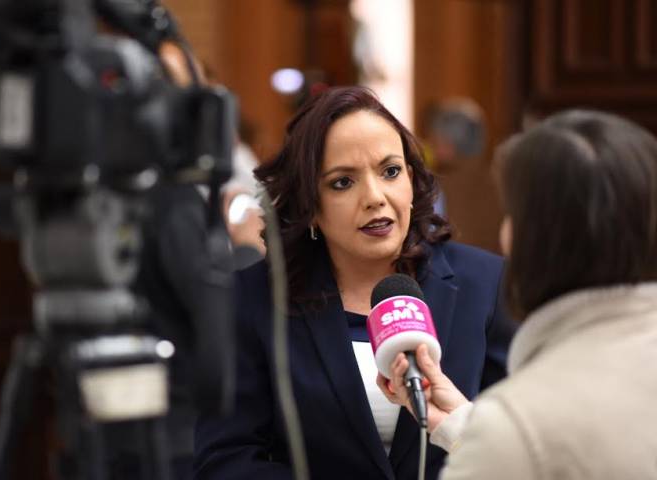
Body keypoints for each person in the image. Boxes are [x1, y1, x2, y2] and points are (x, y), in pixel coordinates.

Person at [193, 86, 515, 479]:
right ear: (310, 205)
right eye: (343, 182)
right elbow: (225, 460)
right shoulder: (253, 298)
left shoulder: (486, 284)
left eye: (390, 171)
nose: (375, 197)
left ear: (412, 179)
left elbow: (524, 441)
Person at [379, 110, 657, 479]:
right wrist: (461, 422)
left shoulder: (517, 425)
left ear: (533, 242)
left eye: (511, 215)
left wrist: (496, 434)